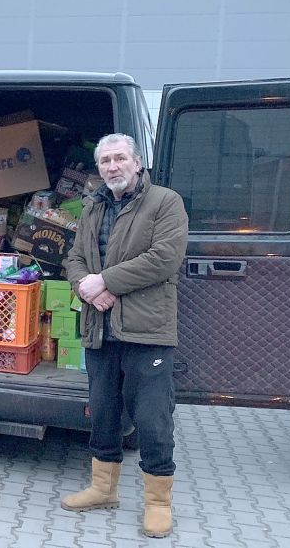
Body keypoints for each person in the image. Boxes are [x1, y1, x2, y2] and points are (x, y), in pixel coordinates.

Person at [62, 133, 188, 538]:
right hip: (100, 328)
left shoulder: (165, 202)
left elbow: (164, 258)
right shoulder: (92, 206)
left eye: (119, 159)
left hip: (147, 330)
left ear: (137, 163)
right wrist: (83, 285)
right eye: (105, 161)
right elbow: (75, 256)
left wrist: (106, 282)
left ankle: (158, 502)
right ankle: (103, 489)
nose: (112, 167)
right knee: (102, 412)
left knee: (151, 419)